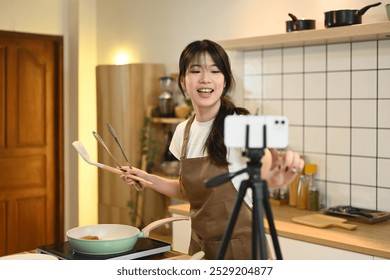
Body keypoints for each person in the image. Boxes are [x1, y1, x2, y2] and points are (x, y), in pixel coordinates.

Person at [121, 39, 304, 260]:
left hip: (242, 253)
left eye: (215, 71)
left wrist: (276, 174)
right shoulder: (183, 132)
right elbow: (188, 190)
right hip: (200, 249)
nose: (205, 78)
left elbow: (267, 169)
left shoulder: (240, 123)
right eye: (195, 70)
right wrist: (147, 178)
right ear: (183, 81)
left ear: (224, 81)